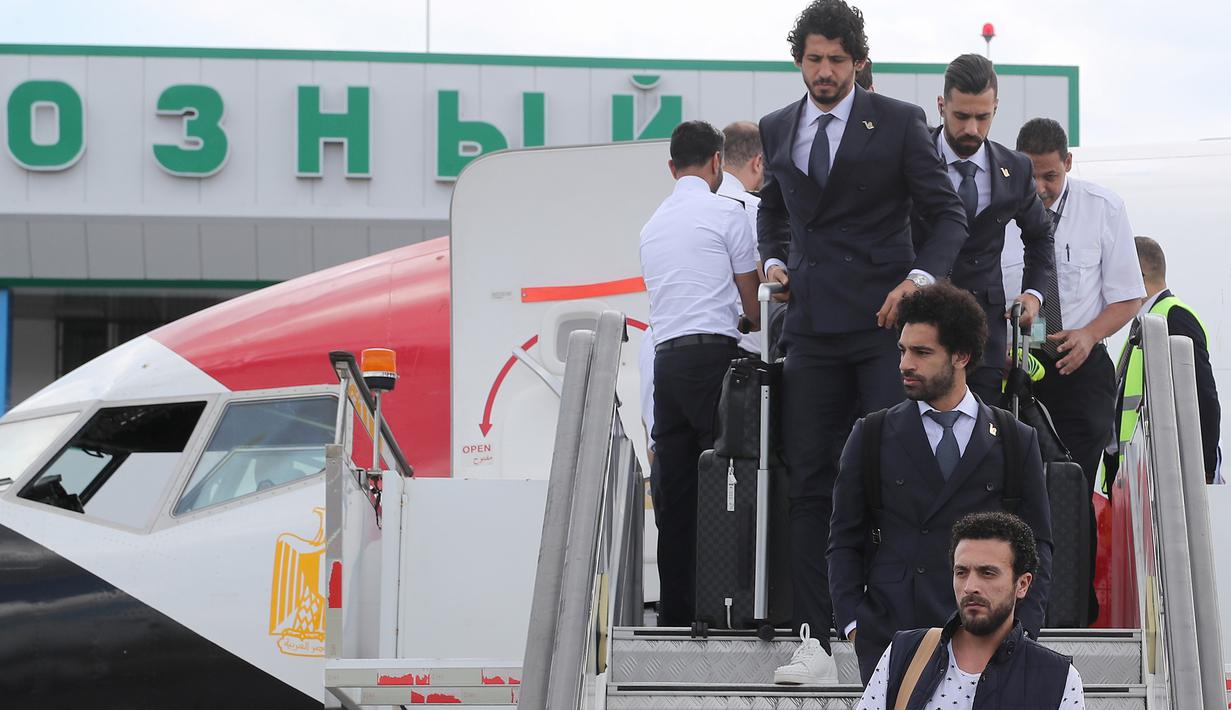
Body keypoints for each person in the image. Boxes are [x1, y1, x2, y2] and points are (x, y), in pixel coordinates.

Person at [757, 0, 968, 673]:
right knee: (809, 481)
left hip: (885, 330)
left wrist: (916, 280)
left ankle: (914, 635)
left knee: (899, 476)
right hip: (811, 330)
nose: (824, 72)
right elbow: (773, 211)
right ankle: (813, 638)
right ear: (799, 59)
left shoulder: (900, 122)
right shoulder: (775, 127)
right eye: (814, 60)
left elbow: (947, 215)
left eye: (836, 61)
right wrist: (772, 259)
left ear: (856, 62)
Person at [823, 283, 1052, 684]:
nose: (905, 364)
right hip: (892, 642)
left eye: (922, 352)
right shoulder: (871, 434)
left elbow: (1039, 545)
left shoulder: (1016, 439)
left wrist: (1025, 628)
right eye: (903, 350)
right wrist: (855, 625)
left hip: (988, 642)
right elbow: (843, 539)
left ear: (961, 356)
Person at [1001, 118, 1145, 621]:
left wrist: (1089, 335)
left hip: (1078, 364)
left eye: (1049, 177)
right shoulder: (998, 208)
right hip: (1013, 366)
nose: (1039, 189)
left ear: (1068, 164)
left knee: (1073, 484)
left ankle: (1071, 608)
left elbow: (1128, 295)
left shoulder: (1103, 209)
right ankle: (1009, 604)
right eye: (1029, 177)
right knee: (1007, 486)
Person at [639, 120, 761, 627]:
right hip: (717, 361)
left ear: (671, 167)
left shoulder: (651, 226)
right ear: (717, 162)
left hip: (666, 365)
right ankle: (726, 606)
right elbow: (752, 300)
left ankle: (674, 613)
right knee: (731, 481)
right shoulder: (727, 212)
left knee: (677, 489)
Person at [914, 54, 1054, 404]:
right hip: (920, 325)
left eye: (983, 117)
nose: (972, 129)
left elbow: (1039, 236)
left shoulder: (1015, 168)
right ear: (941, 106)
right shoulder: (912, 158)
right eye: (961, 116)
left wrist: (1033, 294)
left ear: (996, 108)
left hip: (984, 335)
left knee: (982, 442)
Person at [857, 512, 1083, 709]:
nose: (970, 586)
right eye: (961, 572)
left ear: (1022, 584)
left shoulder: (1058, 678)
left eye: (987, 573)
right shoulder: (903, 653)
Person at [1109, 236, 1221, 483]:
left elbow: (1204, 396)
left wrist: (1204, 467)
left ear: (1136, 277)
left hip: (1163, 476)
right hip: (1137, 474)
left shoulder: (1174, 316)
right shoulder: (1142, 323)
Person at [719, 121, 766, 355]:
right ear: (758, 162)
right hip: (742, 348)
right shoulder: (753, 209)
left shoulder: (683, 207)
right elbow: (768, 283)